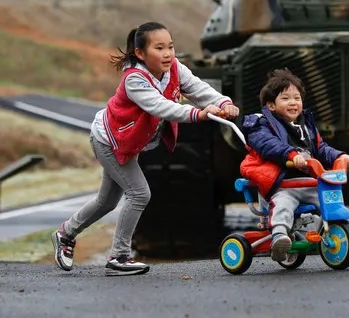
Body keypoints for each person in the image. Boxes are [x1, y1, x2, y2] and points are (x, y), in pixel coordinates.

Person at [51, 21, 240, 277]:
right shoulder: (134, 80)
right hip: (109, 141)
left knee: (106, 201)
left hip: (128, 142)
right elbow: (162, 107)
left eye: (170, 47)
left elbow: (197, 88)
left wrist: (223, 102)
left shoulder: (174, 68)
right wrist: (199, 114)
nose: (168, 53)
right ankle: (119, 256)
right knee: (139, 194)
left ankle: (65, 233)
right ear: (140, 53)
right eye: (159, 48)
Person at [239, 68, 349, 267]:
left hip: (310, 183)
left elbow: (320, 148)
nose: (293, 103)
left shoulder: (306, 126)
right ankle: (279, 238)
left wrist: (339, 156)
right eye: (285, 98)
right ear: (271, 105)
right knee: (283, 206)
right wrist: (292, 155)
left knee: (335, 207)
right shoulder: (261, 125)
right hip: (282, 185)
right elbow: (268, 146)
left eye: (297, 98)